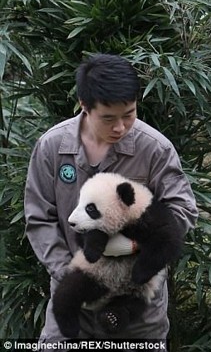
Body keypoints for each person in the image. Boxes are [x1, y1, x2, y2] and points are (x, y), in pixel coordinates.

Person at [25, 54, 198, 341]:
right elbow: (39, 217)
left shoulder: (155, 149)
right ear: (84, 105)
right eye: (108, 118)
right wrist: (68, 270)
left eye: (129, 114)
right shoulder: (52, 147)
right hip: (74, 297)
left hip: (136, 304)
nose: (120, 127)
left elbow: (183, 209)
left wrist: (133, 245)